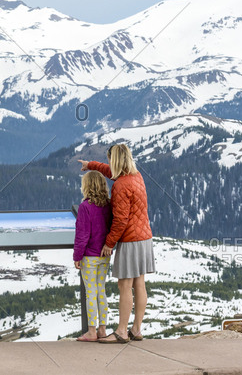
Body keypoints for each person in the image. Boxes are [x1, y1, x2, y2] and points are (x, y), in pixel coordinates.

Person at [78, 144, 155, 344]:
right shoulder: (136, 177)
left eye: (110, 159)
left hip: (130, 239)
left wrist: (109, 243)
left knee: (124, 285)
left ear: (116, 160)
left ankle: (121, 331)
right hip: (145, 237)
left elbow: (120, 220)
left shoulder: (121, 185)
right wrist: (91, 165)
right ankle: (136, 329)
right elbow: (111, 172)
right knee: (140, 283)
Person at [73, 171, 113, 342]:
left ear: (87, 186)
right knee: (101, 290)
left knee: (91, 292)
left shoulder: (85, 207)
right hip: (104, 255)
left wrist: (77, 256)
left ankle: (91, 331)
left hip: (89, 256)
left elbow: (83, 235)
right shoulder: (108, 206)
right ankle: (103, 329)